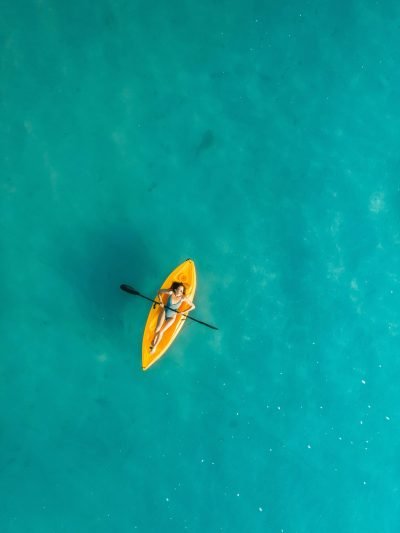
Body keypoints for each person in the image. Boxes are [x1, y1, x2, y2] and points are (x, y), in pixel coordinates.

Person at [150, 282, 195, 353]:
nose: (180, 292)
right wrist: (161, 301)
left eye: (182, 291)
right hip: (164, 311)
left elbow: (193, 306)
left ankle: (154, 347)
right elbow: (159, 291)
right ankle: (154, 338)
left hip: (172, 317)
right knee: (157, 329)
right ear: (175, 289)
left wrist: (183, 312)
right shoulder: (171, 292)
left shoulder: (183, 298)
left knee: (161, 331)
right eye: (179, 290)